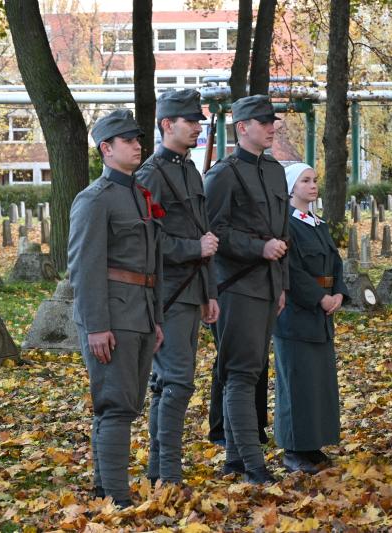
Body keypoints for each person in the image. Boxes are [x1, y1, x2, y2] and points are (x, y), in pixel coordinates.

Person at [68, 109, 164, 507]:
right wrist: (95, 326)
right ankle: (118, 497)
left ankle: (104, 485)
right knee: (116, 406)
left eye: (138, 138)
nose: (137, 145)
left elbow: (150, 264)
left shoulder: (137, 195)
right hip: (112, 315)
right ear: (107, 149)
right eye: (127, 140)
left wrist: (155, 319)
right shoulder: (94, 200)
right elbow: (84, 267)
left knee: (122, 404)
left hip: (139, 313)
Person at [204, 95, 289, 484]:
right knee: (240, 374)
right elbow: (214, 232)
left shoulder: (273, 170)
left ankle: (236, 460)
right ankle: (254, 465)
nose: (273, 127)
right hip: (236, 287)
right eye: (264, 121)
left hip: (267, 287)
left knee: (251, 373)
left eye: (273, 121)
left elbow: (282, 231)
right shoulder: (223, 173)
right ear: (242, 128)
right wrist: (258, 248)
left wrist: (281, 283)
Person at [136, 89, 218, 486]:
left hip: (191, 292)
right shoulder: (151, 173)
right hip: (167, 294)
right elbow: (149, 241)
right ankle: (167, 471)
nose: (198, 128)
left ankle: (159, 469)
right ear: (168, 125)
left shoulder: (190, 170)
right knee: (178, 381)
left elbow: (202, 232)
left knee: (167, 382)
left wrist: (210, 293)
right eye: (191, 121)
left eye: (199, 121)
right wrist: (193, 249)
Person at [272, 163, 349, 473]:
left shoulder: (319, 224)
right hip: (298, 314)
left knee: (318, 384)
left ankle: (312, 445)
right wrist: (320, 297)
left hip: (322, 315)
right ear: (292, 188)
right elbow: (291, 270)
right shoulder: (286, 225)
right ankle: (293, 449)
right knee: (297, 383)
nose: (313, 185)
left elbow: (336, 262)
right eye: (305, 181)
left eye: (315, 179)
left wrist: (340, 293)